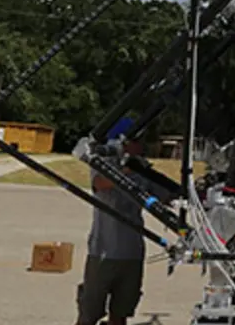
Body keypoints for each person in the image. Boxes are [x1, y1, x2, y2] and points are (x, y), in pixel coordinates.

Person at [75, 120, 151, 325]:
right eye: (138, 140)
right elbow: (99, 183)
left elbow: (160, 194)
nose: (142, 144)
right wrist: (126, 170)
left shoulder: (142, 167)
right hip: (103, 251)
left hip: (132, 252)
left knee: (121, 313)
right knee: (89, 313)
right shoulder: (103, 161)